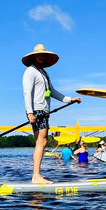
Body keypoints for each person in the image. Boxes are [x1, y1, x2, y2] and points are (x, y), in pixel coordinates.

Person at [22, 44, 82, 184]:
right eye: (38, 55)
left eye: (43, 55)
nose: (41, 57)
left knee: (41, 142)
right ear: (34, 57)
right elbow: (27, 93)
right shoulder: (30, 71)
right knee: (42, 142)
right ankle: (36, 176)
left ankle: (36, 175)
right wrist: (30, 112)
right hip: (37, 111)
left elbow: (53, 92)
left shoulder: (44, 73)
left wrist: (70, 99)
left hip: (44, 111)